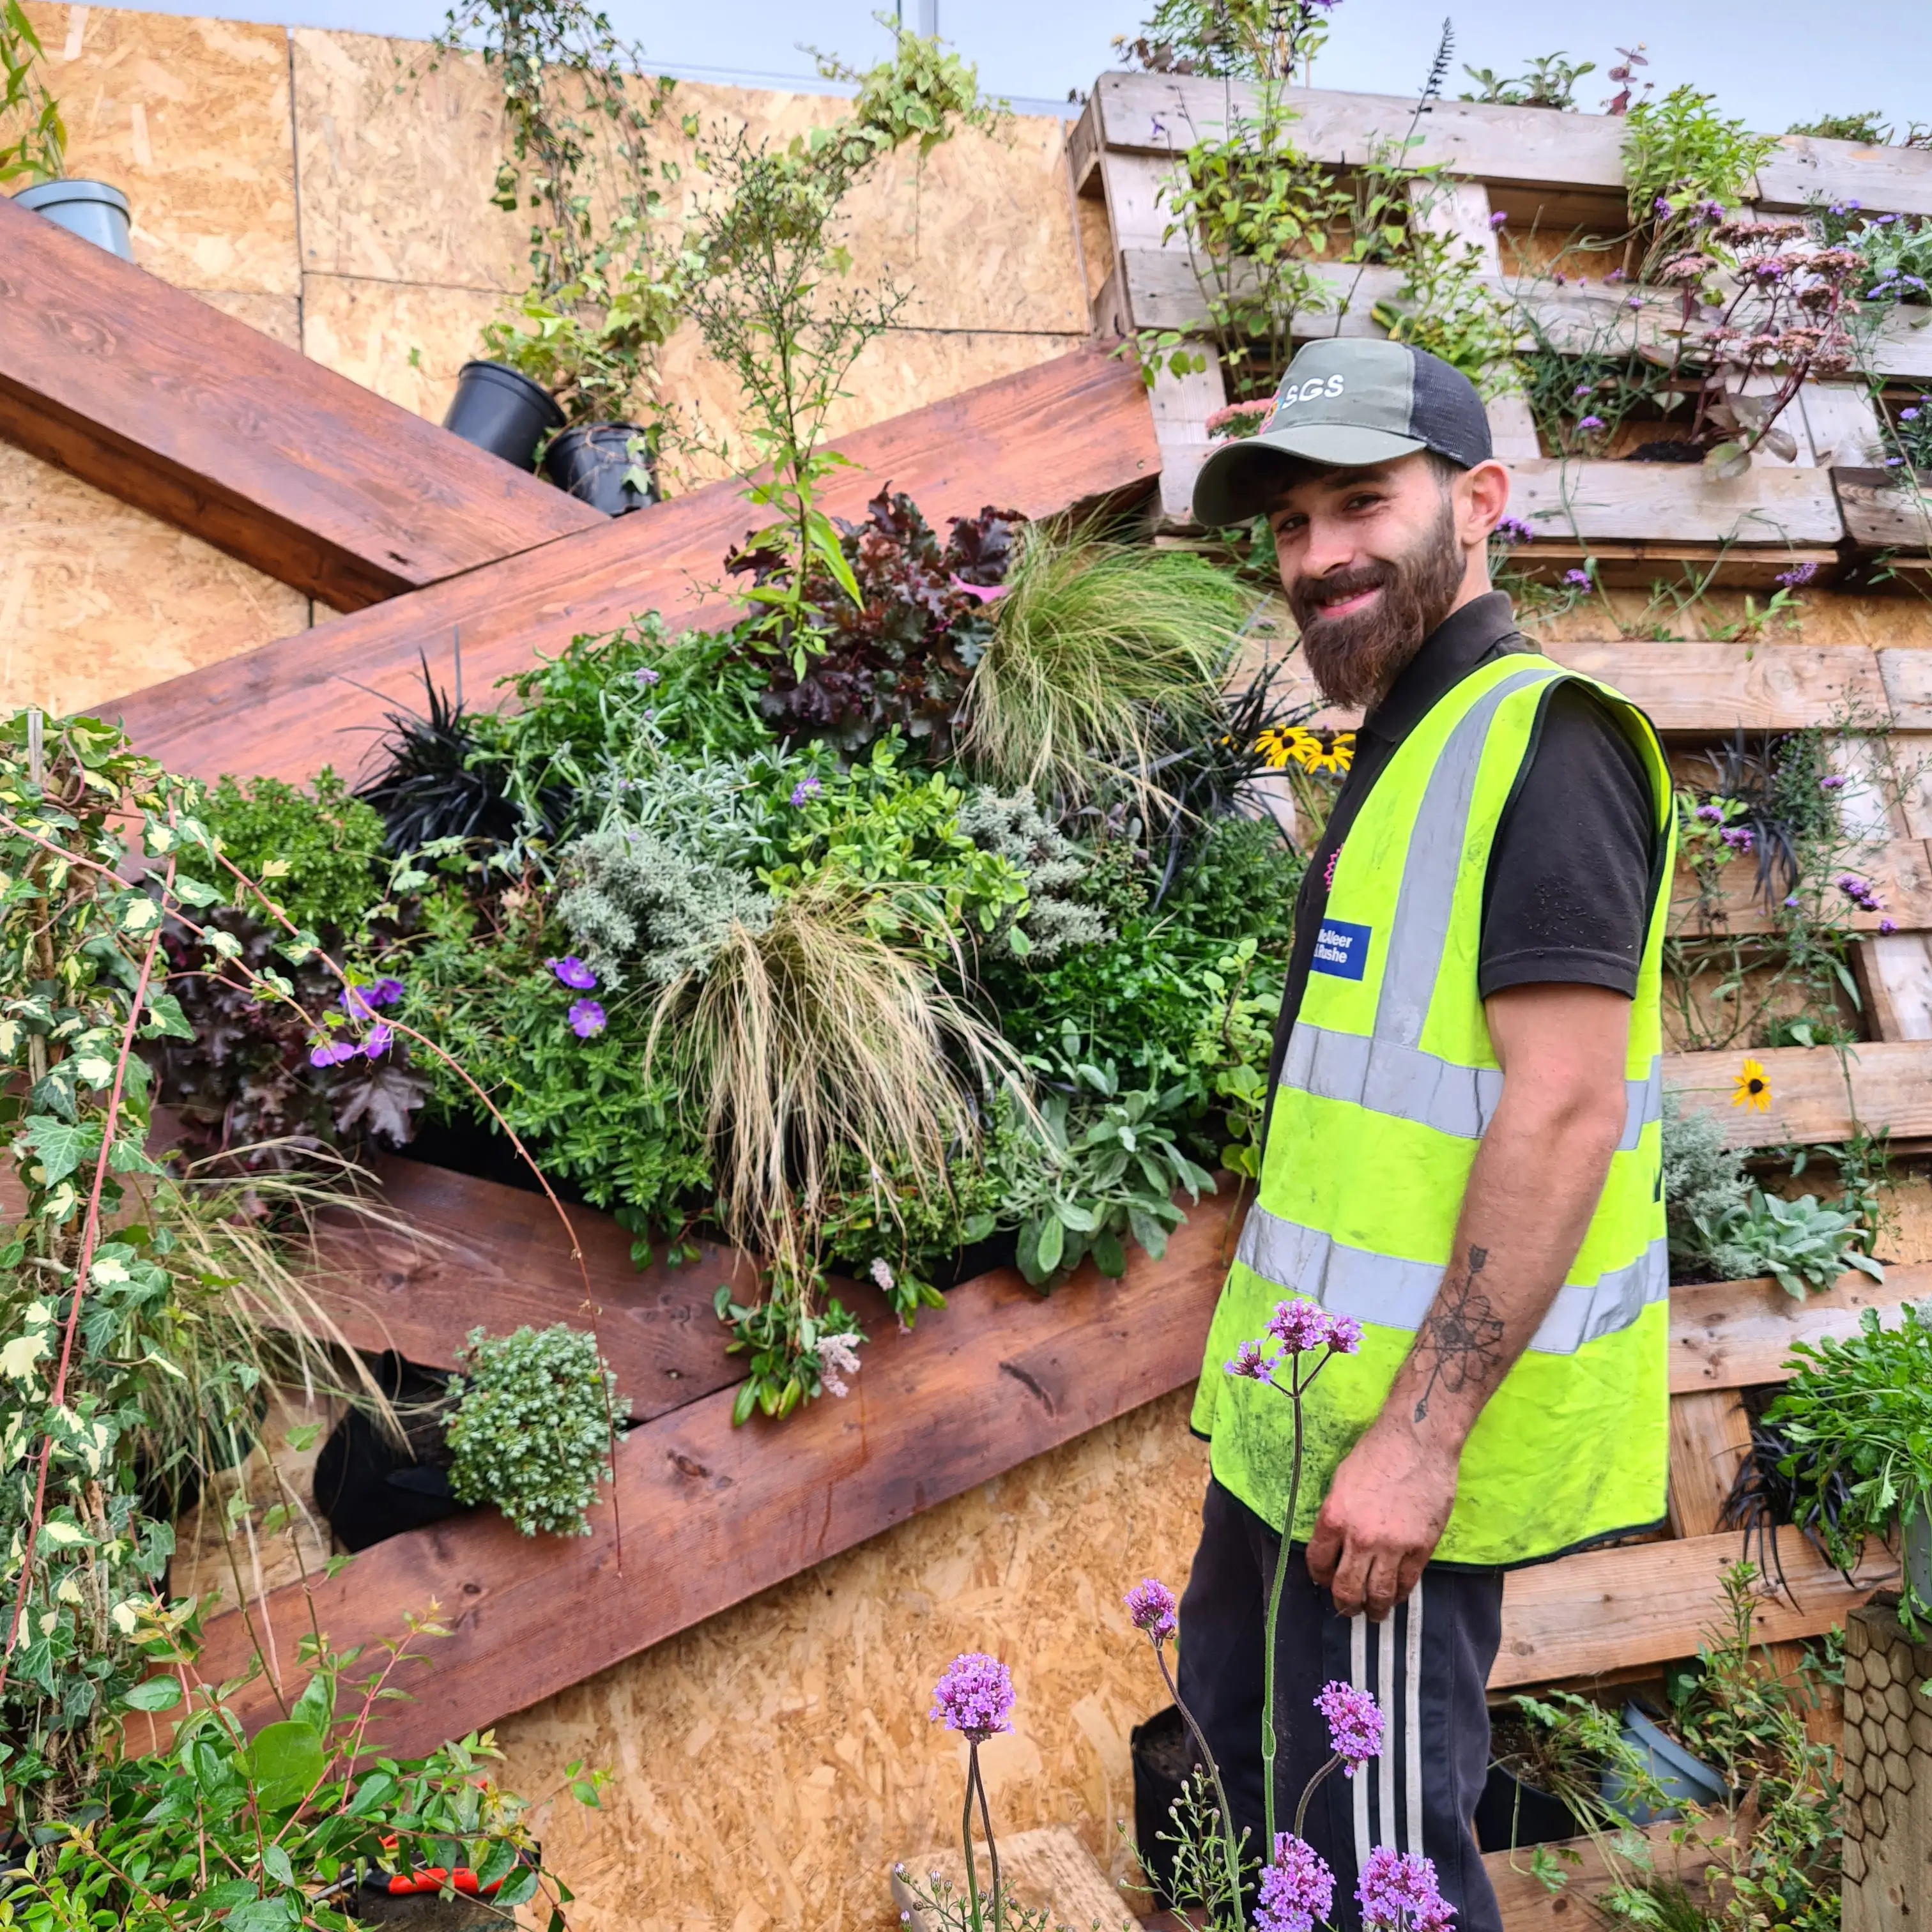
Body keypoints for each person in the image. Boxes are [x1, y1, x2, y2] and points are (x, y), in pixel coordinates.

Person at [1176, 338, 1675, 1930]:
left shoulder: (1548, 743)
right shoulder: (1403, 737)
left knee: (1376, 1881)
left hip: (1392, 1471)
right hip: (1302, 1439)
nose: (1318, 556)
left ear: (1478, 502)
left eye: (1359, 507)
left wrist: (1417, 1438)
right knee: (1274, 1822)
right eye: (1291, 525)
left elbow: (1569, 1102)